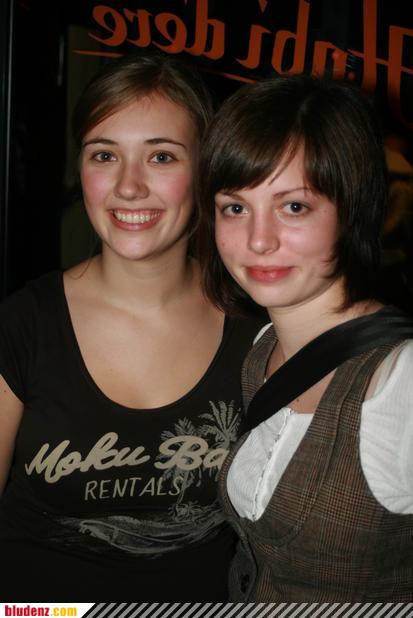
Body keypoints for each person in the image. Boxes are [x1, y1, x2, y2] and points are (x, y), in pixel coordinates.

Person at [0, 51, 265, 602]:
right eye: (104, 155)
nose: (128, 186)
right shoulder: (23, 325)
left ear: (206, 171)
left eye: (161, 156)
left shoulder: (258, 332)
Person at [197, 73, 413, 601]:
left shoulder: (400, 382)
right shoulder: (261, 349)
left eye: (293, 206)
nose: (258, 240)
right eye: (235, 207)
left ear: (350, 209)